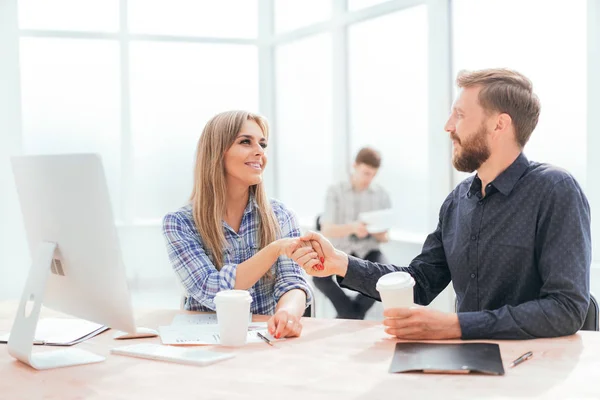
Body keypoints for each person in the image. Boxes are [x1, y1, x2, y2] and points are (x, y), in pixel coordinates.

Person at [291, 68, 591, 340]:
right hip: (467, 363)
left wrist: (456, 326)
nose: (448, 126)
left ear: (499, 125)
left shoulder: (555, 190)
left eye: (460, 115)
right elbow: (420, 283)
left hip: (534, 371)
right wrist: (341, 262)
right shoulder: (457, 201)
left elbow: (567, 308)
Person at [162, 110, 313, 339]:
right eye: (245, 142)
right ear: (217, 153)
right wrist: (273, 249)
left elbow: (293, 282)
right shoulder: (180, 224)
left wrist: (286, 313)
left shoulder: (281, 215)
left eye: (262, 144)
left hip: (267, 342)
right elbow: (212, 289)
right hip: (207, 347)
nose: (259, 152)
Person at [314, 147, 391, 319]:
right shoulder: (335, 191)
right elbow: (327, 229)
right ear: (354, 166)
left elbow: (385, 237)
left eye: (373, 174)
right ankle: (352, 313)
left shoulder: (381, 195)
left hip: (369, 249)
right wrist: (353, 228)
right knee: (318, 277)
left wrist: (374, 230)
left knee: (385, 278)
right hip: (339, 248)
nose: (368, 179)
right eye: (365, 173)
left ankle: (347, 315)